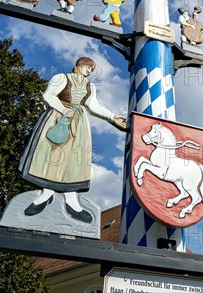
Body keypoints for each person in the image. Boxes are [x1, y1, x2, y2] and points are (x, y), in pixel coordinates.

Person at [19, 57, 127, 222]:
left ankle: (72, 200)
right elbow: (48, 96)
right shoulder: (62, 78)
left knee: (74, 159)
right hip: (57, 117)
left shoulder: (90, 86)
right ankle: (46, 193)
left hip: (78, 123)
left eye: (91, 70)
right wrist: (64, 110)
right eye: (87, 68)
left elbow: (93, 106)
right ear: (78, 66)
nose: (88, 72)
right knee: (51, 153)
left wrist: (112, 117)